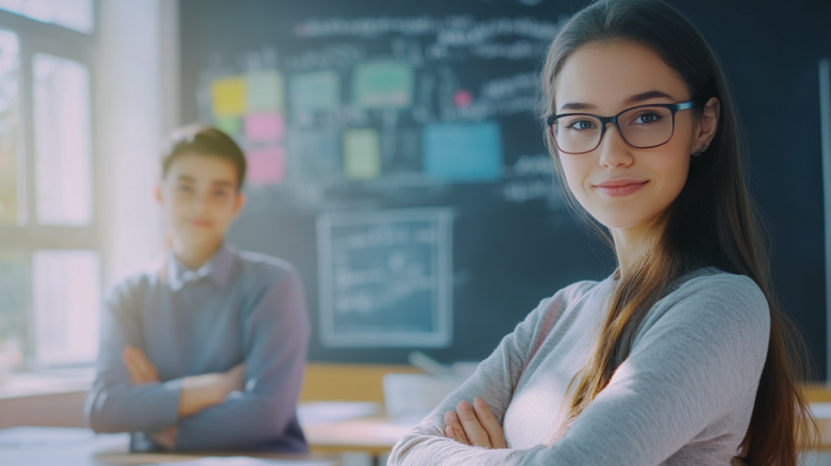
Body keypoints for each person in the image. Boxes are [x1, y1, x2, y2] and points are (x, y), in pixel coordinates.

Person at [388, 0, 817, 465]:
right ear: (556, 138)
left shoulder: (722, 307)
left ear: (704, 125)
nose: (612, 153)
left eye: (647, 116)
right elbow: (407, 453)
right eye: (580, 123)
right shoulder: (557, 314)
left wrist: (506, 454)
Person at [84, 125, 310, 453]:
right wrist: (218, 387)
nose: (201, 205)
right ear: (160, 194)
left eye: (219, 191)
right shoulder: (127, 295)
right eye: (185, 188)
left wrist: (163, 418)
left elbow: (267, 414)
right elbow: (104, 409)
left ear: (237, 204)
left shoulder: (273, 285)